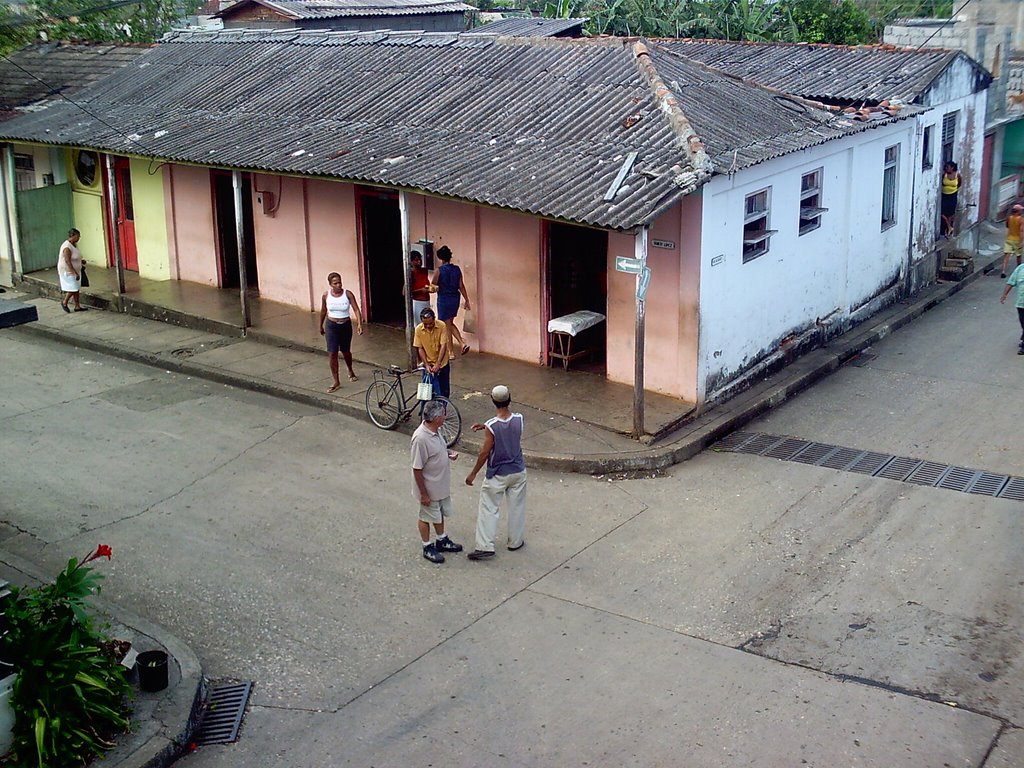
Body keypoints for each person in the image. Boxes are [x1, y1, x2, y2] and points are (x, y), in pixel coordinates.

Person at [464, 384, 527, 561]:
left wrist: (473, 473)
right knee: (517, 507)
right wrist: (486, 426)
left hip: (498, 474)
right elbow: (507, 428)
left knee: (489, 507)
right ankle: (515, 541)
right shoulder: (519, 419)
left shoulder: (492, 426)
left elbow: (485, 453)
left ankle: (485, 545)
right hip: (518, 470)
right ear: (509, 399)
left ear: (493, 401)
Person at [411, 399, 463, 564]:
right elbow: (417, 468)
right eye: (443, 414)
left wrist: (447, 453)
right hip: (429, 489)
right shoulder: (420, 439)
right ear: (436, 418)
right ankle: (427, 546)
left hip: (440, 487)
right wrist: (424, 494)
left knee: (439, 513)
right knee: (426, 516)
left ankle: (441, 539)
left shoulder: (435, 430)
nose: (445, 416)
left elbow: (437, 450)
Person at [318, 272, 363, 393]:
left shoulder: (347, 294)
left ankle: (350, 369)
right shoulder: (326, 295)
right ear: (330, 284)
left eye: (339, 282)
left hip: (345, 326)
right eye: (335, 283)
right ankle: (336, 380)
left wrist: (359, 324)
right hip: (331, 326)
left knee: (346, 351)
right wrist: (320, 326)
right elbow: (323, 311)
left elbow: (356, 309)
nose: (338, 285)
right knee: (332, 353)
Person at [430, 245, 472, 356]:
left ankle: (461, 343)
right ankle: (451, 351)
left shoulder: (438, 271)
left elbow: (433, 286)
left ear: (440, 258)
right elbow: (461, 286)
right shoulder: (457, 269)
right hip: (455, 298)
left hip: (444, 299)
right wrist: (466, 299)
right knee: (449, 323)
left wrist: (431, 288)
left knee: (447, 324)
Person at [413, 307, 451, 398]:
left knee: (444, 391)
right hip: (428, 364)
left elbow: (443, 346)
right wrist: (426, 365)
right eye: (425, 324)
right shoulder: (418, 329)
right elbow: (420, 348)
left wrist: (438, 363)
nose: (428, 326)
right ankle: (425, 410)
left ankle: (442, 410)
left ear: (434, 319)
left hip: (442, 364)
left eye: (430, 323)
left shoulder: (441, 325)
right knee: (427, 392)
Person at [57, 228, 85, 313]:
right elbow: (67, 261)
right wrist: (74, 272)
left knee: (76, 287)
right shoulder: (67, 247)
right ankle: (65, 302)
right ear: (72, 236)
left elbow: (74, 257)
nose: (79, 238)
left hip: (75, 269)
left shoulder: (73, 245)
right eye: (77, 236)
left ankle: (77, 306)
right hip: (68, 271)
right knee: (73, 288)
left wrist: (81, 261)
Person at [999, 261, 1024, 355]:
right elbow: (1011, 282)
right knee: (1023, 322)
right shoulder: (1020, 268)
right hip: (1021, 303)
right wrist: (1004, 295)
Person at [406, 250, 432, 323]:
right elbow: (406, 292)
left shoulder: (424, 271)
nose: (419, 262)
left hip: (426, 301)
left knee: (428, 323)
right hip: (417, 302)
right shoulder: (410, 274)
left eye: (420, 259)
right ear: (411, 262)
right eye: (416, 260)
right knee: (419, 325)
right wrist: (420, 290)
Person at [940, 161, 962, 239]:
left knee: (950, 213)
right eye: (946, 167)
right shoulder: (944, 175)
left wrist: (952, 190)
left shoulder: (957, 175)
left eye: (948, 167)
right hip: (944, 196)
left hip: (952, 196)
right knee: (942, 212)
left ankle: (948, 230)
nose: (947, 168)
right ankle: (949, 227)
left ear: (952, 168)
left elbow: (959, 184)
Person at [1001, 204, 1023, 279]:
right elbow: (1021, 231)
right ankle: (1019, 271)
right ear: (1018, 211)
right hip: (1017, 240)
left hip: (1009, 238)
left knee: (1006, 256)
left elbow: (1007, 226)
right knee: (1018, 256)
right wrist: (1022, 242)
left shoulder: (1009, 218)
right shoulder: (1021, 219)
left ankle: (1003, 271)